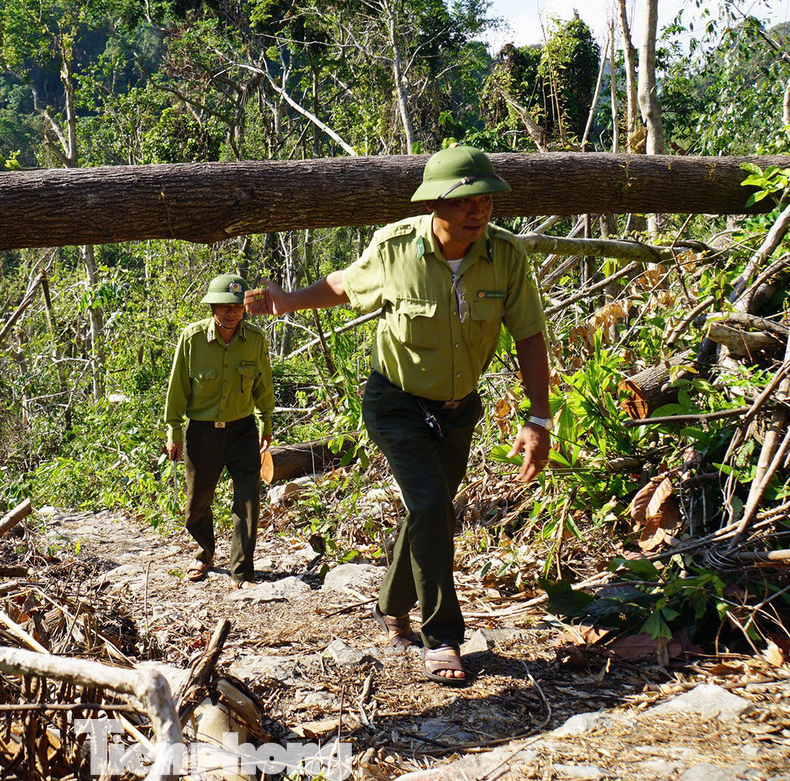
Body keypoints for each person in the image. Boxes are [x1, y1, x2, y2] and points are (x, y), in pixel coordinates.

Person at [244, 146, 551, 684]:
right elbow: (346, 283)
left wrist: (539, 418)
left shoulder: (506, 256)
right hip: (395, 402)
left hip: (458, 409)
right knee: (432, 503)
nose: (477, 211)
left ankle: (391, 605)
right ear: (435, 203)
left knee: (428, 509)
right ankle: (444, 638)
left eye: (484, 200)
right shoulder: (396, 249)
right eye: (463, 202)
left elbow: (528, 334)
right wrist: (287, 301)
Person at [163, 273, 274, 590]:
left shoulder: (254, 339)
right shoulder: (192, 338)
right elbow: (178, 389)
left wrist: (266, 422)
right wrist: (173, 431)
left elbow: (264, 385)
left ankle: (242, 571)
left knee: (248, 501)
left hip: (242, 432)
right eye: (225, 305)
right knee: (197, 502)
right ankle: (204, 552)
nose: (232, 312)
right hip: (202, 433)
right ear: (212, 305)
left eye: (237, 306)